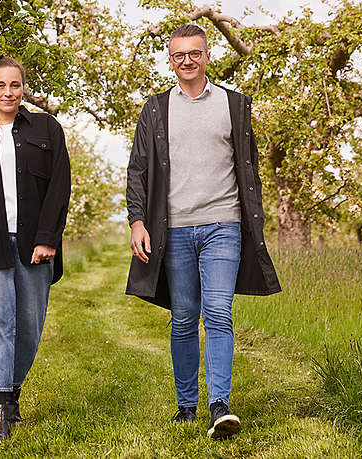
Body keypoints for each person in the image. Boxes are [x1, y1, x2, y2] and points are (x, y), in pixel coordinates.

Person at [124, 24, 282, 439]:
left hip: (223, 225)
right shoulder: (155, 109)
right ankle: (185, 404)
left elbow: (248, 170)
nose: (187, 61)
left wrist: (254, 223)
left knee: (218, 314)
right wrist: (137, 221)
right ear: (170, 60)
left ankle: (219, 405)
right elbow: (137, 170)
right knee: (183, 318)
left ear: (207, 56)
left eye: (194, 53)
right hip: (172, 229)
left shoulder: (234, 105)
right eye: (179, 55)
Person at [0, 53, 71, 443]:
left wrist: (47, 239)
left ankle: (13, 389)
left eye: (15, 85)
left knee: (28, 325)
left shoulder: (46, 129)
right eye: (0, 85)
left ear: (23, 88)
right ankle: (0, 410)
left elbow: (59, 188)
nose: (8, 92)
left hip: (33, 244)